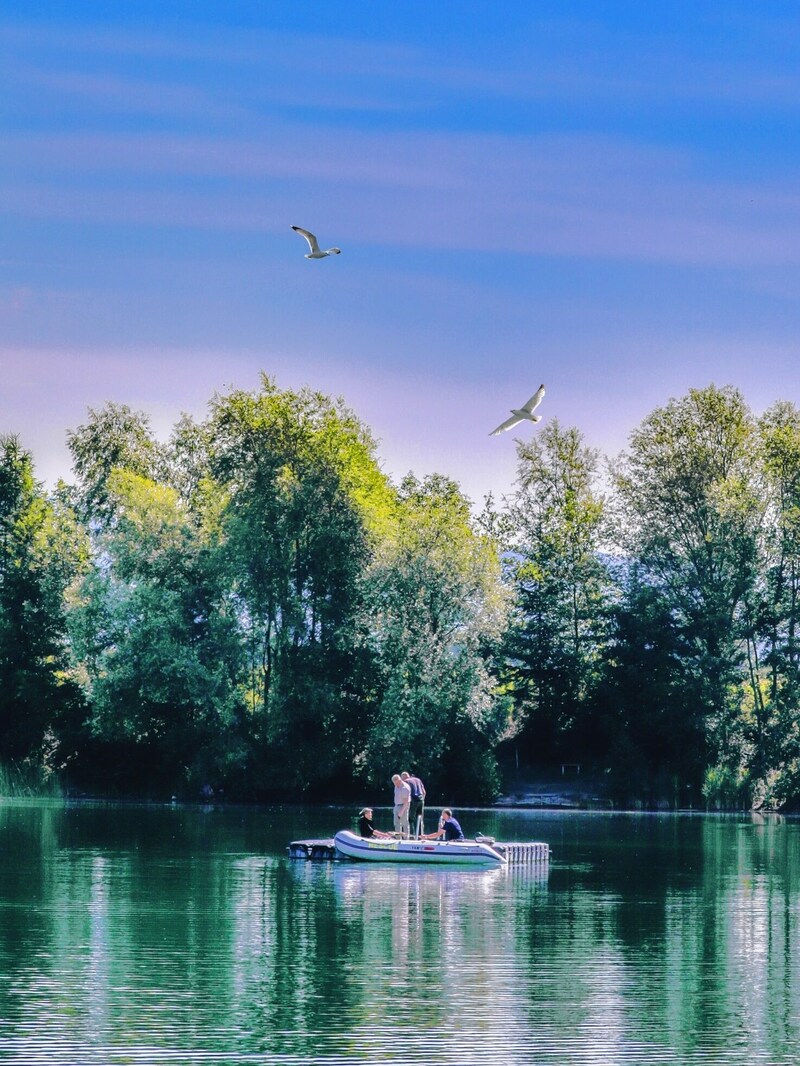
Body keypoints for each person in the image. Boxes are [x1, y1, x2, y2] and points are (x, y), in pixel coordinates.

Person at [401, 770, 426, 837]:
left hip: (413, 800)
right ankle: (421, 836)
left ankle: (411, 836)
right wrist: (422, 800)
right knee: (420, 818)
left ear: (403, 777)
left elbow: (406, 794)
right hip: (421, 800)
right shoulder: (418, 780)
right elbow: (424, 792)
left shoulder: (406, 782)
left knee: (409, 819)